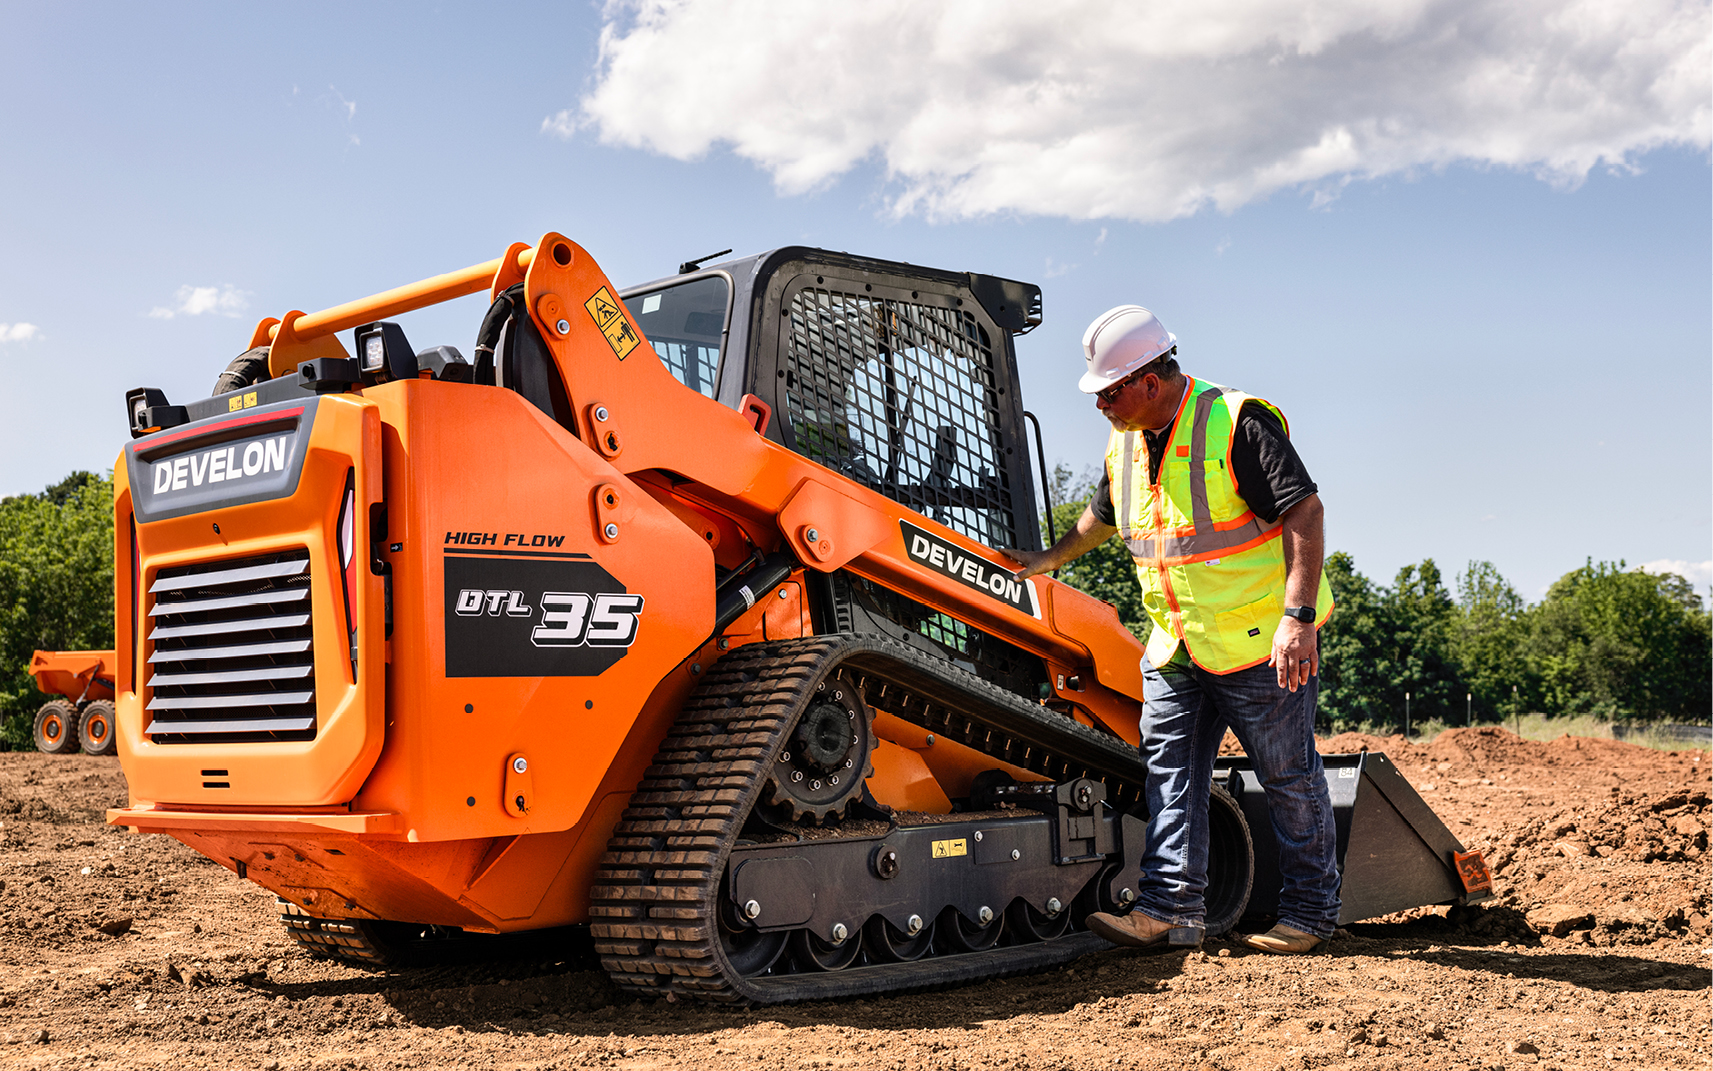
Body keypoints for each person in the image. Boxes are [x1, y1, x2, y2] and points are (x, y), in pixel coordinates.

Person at [1005, 305, 1341, 956]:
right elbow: (1100, 518)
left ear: (1148, 381)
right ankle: (1169, 910)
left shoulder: (1234, 421)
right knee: (1169, 776)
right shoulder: (1124, 442)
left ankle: (1307, 914)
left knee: (1288, 777)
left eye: (1108, 391)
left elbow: (1304, 508)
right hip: (1174, 647)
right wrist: (1043, 560)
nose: (1099, 403)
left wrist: (1297, 618)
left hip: (1257, 644)